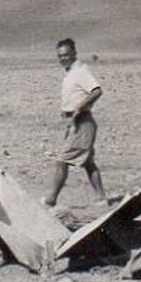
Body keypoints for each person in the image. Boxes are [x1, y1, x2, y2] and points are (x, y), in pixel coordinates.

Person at [42, 38, 109, 207]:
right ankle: (101, 198)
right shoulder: (70, 72)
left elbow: (97, 91)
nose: (63, 58)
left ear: (74, 53)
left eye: (66, 55)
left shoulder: (80, 71)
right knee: (88, 163)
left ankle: (51, 199)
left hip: (82, 122)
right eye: (60, 56)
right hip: (74, 122)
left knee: (62, 160)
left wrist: (80, 107)